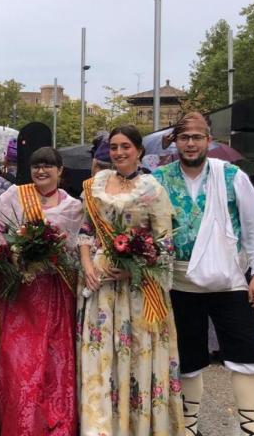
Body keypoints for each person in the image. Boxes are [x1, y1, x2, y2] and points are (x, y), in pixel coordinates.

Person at [152, 113, 254, 436]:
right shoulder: (159, 178)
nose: (190, 144)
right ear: (175, 142)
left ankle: (248, 427)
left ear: (209, 141)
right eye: (184, 138)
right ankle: (189, 426)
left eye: (196, 137)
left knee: (246, 352)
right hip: (180, 283)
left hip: (230, 281)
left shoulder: (231, 176)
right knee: (187, 358)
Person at [77, 125, 184, 436]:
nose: (119, 152)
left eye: (125, 146)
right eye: (114, 147)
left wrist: (131, 269)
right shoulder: (96, 184)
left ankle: (133, 426)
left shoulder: (153, 189)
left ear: (139, 150)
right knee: (99, 356)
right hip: (100, 287)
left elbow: (165, 244)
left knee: (135, 356)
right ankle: (99, 428)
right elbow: (85, 231)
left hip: (138, 287)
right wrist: (86, 264)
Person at [0, 147, 84, 436]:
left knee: (54, 363)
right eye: (36, 166)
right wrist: (15, 254)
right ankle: (19, 424)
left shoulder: (73, 207)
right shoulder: (14, 196)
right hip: (21, 293)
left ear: (59, 171)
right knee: (17, 361)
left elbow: (77, 246)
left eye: (47, 166)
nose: (41, 171)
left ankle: (54, 425)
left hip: (55, 292)